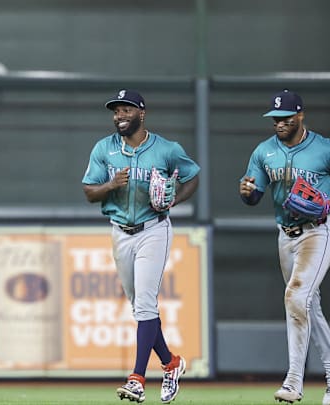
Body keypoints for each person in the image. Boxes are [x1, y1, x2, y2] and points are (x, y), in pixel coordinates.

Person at [239, 89, 330, 405]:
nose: (279, 123)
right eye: (275, 118)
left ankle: (294, 381)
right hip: (286, 235)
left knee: (295, 297)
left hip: (318, 233)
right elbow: (253, 197)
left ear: (300, 115)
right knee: (306, 305)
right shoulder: (264, 152)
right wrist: (248, 191)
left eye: (285, 118)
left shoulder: (325, 148)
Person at [82, 89, 200, 403]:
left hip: (153, 229)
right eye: (116, 111)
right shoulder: (104, 149)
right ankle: (171, 363)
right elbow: (89, 192)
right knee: (140, 308)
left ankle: (136, 378)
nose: (119, 116)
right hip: (120, 231)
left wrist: (175, 199)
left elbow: (193, 176)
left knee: (146, 304)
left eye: (126, 110)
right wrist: (110, 185)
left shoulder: (166, 149)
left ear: (141, 114)